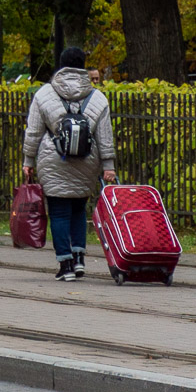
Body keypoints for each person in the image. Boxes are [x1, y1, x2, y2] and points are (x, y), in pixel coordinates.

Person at [24, 46, 115, 280]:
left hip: (54, 160)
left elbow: (34, 131)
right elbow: (104, 136)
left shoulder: (44, 94)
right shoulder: (97, 97)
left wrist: (28, 160)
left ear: (61, 65)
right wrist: (108, 165)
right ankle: (79, 259)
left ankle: (65, 265)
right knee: (78, 210)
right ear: (83, 66)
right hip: (87, 161)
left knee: (59, 213)